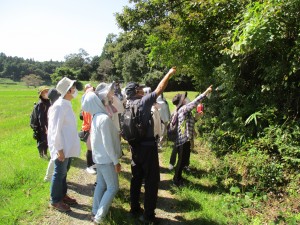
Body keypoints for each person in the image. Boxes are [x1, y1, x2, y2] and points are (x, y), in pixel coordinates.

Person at [124, 67, 176, 224]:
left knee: (136, 178)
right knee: (152, 181)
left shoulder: (128, 104)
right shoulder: (143, 102)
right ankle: (148, 216)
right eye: (140, 88)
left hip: (134, 147)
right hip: (147, 147)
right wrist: (169, 73)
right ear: (136, 90)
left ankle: (134, 208)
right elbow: (159, 89)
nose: (142, 89)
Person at [82, 85, 122, 225]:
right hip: (106, 159)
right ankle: (99, 217)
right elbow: (108, 144)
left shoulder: (96, 117)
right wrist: (116, 161)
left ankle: (94, 211)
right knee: (112, 187)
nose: (106, 99)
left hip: (99, 158)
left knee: (101, 184)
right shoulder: (103, 119)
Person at [47, 77, 81, 212]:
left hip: (67, 146)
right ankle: (55, 200)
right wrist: (59, 149)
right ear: (68, 90)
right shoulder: (59, 106)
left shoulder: (66, 103)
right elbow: (55, 129)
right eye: (73, 87)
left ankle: (62, 195)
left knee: (64, 173)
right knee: (59, 172)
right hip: (62, 147)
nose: (75, 89)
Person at [172, 86, 212, 186]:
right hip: (183, 140)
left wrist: (196, 118)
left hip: (185, 139)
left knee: (183, 160)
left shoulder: (184, 111)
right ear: (182, 102)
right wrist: (206, 92)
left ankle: (179, 178)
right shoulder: (184, 109)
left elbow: (188, 123)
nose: (186, 99)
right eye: (184, 98)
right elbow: (195, 103)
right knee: (181, 161)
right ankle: (176, 180)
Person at [44, 88, 61, 182]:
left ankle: (49, 176)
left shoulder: (52, 107)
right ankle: (48, 177)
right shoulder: (54, 108)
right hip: (53, 135)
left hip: (52, 134)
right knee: (54, 156)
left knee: (54, 156)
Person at [81, 85, 96, 175]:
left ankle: (93, 165)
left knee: (93, 148)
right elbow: (89, 120)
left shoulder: (90, 104)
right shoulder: (88, 107)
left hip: (91, 129)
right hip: (89, 129)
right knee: (90, 148)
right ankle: (89, 166)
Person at [34, 86, 51, 158]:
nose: (47, 93)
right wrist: (44, 128)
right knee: (42, 140)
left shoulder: (48, 102)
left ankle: (45, 153)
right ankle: (42, 154)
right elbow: (40, 118)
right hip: (42, 125)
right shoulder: (41, 103)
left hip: (48, 123)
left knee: (47, 140)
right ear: (41, 94)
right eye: (45, 92)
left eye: (47, 91)